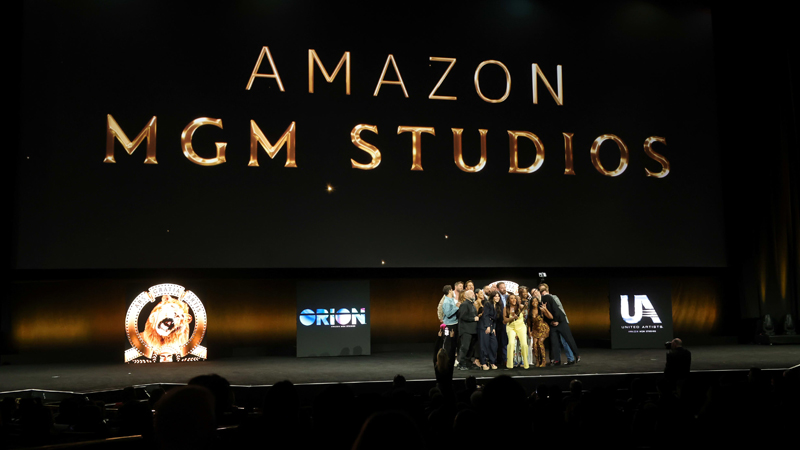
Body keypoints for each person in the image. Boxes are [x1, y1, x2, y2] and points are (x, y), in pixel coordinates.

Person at [535, 284, 580, 366]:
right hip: (552, 323)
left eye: (541, 291)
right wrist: (551, 321)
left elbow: (558, 309)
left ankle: (574, 357)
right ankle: (557, 360)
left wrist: (557, 320)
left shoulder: (552, 297)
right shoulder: (539, 301)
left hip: (560, 321)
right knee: (554, 342)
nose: (541, 293)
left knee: (566, 340)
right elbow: (544, 315)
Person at [503, 294, 530, 369]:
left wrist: (526, 306)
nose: (514, 300)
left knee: (524, 344)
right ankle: (510, 364)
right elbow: (505, 320)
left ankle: (525, 363)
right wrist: (512, 318)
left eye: (515, 298)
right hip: (511, 327)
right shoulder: (506, 308)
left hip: (521, 327)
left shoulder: (520, 306)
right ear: (509, 300)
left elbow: (526, 308)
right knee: (511, 344)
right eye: (511, 298)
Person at [457, 290, 480, 370]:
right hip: (466, 330)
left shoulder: (472, 305)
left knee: (471, 348)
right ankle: (461, 364)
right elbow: (462, 316)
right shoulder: (464, 304)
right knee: (465, 348)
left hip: (472, 330)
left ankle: (468, 363)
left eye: (473, 293)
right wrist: (473, 318)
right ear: (466, 296)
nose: (473, 295)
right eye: (471, 294)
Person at [527, 294, 550, 367]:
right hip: (535, 329)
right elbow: (529, 323)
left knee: (540, 343)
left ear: (538, 302)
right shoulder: (530, 311)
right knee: (534, 345)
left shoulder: (541, 310)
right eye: (533, 301)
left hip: (543, 328)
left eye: (536, 301)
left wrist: (545, 309)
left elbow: (550, 317)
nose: (534, 302)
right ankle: (537, 360)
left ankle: (543, 360)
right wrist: (529, 332)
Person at [479, 291, 498, 370]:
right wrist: (488, 326)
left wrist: (493, 328)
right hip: (484, 326)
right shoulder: (488, 304)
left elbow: (495, 319)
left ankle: (492, 362)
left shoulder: (498, 306)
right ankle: (483, 363)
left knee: (494, 344)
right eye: (495, 296)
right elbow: (485, 315)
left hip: (491, 326)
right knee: (484, 345)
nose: (497, 298)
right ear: (492, 297)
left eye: (498, 296)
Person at [439, 285, 459, 363]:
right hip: (449, 325)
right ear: (450, 291)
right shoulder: (447, 301)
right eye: (452, 290)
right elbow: (448, 314)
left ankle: (452, 359)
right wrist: (456, 307)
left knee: (453, 343)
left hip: (454, 323)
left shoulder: (451, 300)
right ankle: (446, 360)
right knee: (448, 343)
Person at [496, 282, 510, 366]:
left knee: (507, 341)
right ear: (498, 289)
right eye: (502, 287)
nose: (504, 289)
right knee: (501, 342)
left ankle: (507, 359)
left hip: (509, 322)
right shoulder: (497, 297)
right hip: (500, 323)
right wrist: (502, 319)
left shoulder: (508, 297)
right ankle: (502, 360)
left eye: (504, 287)